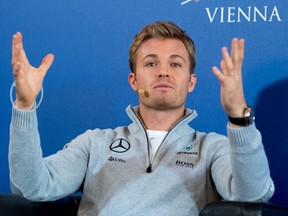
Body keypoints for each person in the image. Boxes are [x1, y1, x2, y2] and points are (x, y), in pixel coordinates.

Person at [9, 21, 274, 215]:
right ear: (133, 81)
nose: (163, 72)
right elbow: (32, 187)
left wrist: (239, 118)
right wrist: (24, 105)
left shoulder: (212, 149)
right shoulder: (94, 143)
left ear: (191, 82)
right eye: (150, 63)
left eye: (175, 64)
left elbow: (252, 197)